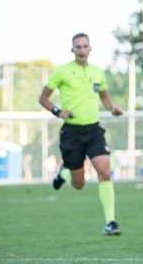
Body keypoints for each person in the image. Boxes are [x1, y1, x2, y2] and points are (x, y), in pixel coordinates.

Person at [39, 33, 124, 236]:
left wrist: (112, 107)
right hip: (71, 133)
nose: (82, 50)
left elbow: (103, 93)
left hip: (94, 130)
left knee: (104, 171)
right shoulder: (62, 72)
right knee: (79, 184)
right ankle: (64, 173)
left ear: (90, 49)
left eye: (85, 46)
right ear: (73, 50)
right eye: (78, 46)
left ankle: (110, 222)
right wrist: (58, 111)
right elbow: (43, 97)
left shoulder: (98, 72)